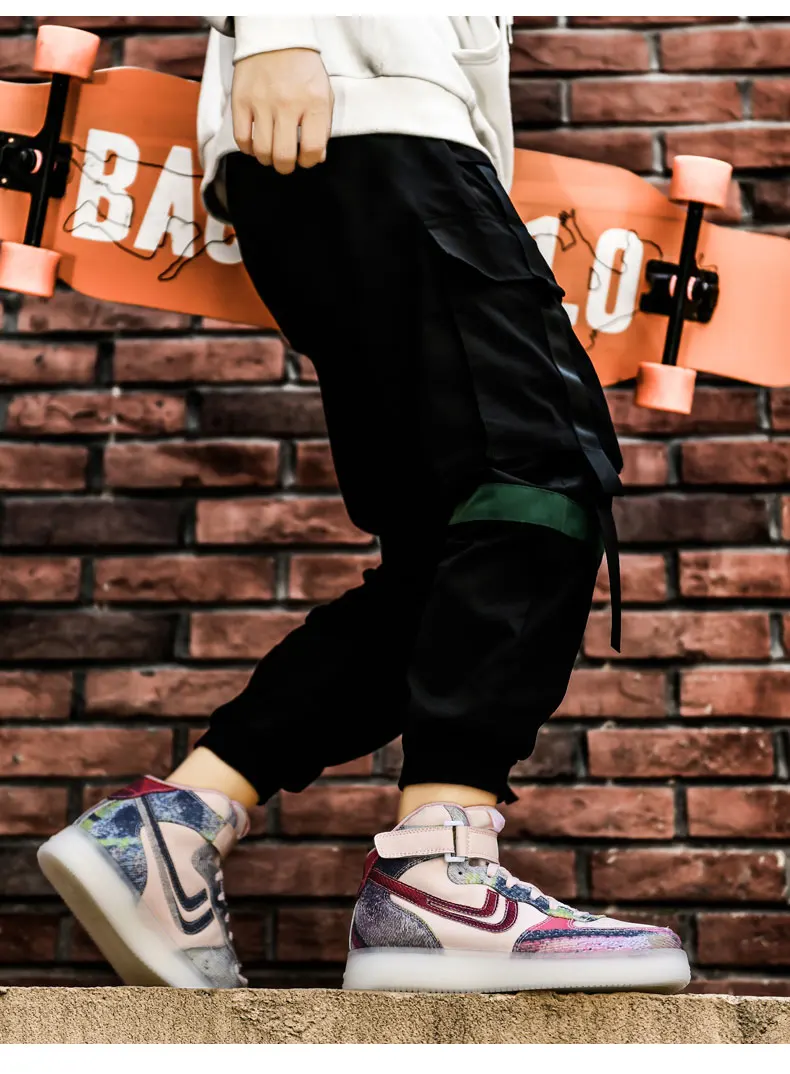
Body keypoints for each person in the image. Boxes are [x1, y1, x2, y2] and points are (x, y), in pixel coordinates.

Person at [37, 16, 690, 995]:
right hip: (373, 119)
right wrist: (276, 26)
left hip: (367, 131)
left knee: (445, 557)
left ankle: (171, 827)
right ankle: (440, 878)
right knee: (540, 473)